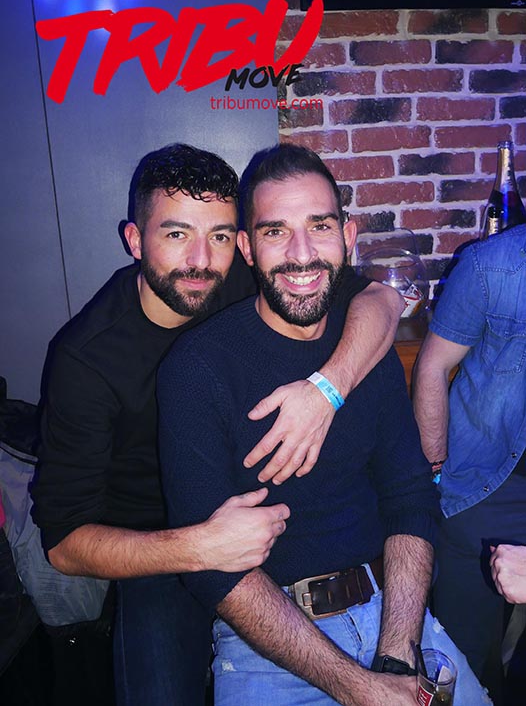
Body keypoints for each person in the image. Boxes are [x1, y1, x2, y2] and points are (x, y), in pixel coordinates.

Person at [32, 143, 404, 706]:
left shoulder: (244, 277)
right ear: (135, 240)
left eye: (221, 235)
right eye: (176, 234)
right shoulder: (86, 359)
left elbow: (382, 300)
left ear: (243, 243)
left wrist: (326, 391)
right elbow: (63, 545)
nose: (201, 259)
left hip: (268, 531)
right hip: (158, 541)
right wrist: (198, 546)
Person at [158, 143, 489, 706]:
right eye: (275, 232)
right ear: (246, 248)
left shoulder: (367, 349)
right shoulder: (197, 369)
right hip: (269, 646)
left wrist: (395, 658)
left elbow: (410, 498)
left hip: (394, 616)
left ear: (348, 235)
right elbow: (214, 571)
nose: (302, 254)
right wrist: (361, 688)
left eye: (320, 226)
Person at [413, 224, 526, 687]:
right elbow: (432, 366)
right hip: (487, 481)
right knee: (460, 667)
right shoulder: (490, 265)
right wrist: (434, 472)